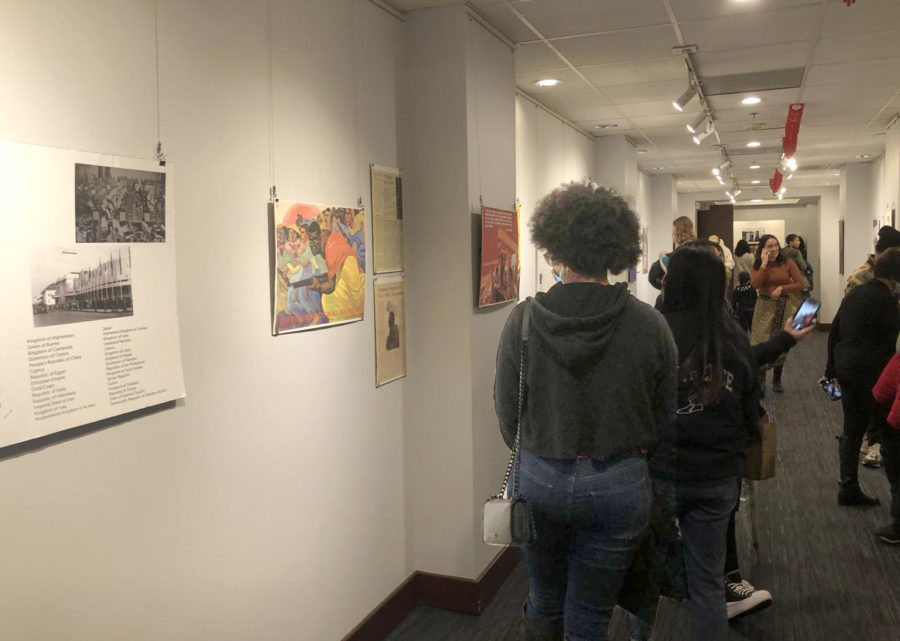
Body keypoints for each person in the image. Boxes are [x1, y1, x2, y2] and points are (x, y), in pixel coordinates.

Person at [494, 182, 677, 641]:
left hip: (539, 478)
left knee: (543, 598)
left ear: (554, 247)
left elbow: (507, 416)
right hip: (618, 481)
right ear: (616, 248)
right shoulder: (649, 324)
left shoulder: (524, 320)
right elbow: (663, 417)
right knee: (590, 612)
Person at [652, 240, 760, 641]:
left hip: (659, 472)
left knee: (645, 576)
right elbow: (751, 412)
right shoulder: (733, 337)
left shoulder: (654, 332)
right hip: (717, 476)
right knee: (709, 585)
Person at [825, 248, 900, 509]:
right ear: (894, 277)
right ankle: (897, 504)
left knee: (852, 429)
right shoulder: (888, 302)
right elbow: (892, 343)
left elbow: (834, 331)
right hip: (873, 374)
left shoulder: (855, 293)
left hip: (847, 367)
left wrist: (830, 371)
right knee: (887, 434)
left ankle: (848, 486)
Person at [844, 226, 900, 467]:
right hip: (867, 359)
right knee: (866, 414)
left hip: (868, 358)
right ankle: (872, 445)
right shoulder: (863, 278)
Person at [749, 235, 803, 394]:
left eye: (776, 245)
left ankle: (777, 379)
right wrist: (764, 265)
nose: (774, 249)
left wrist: (782, 289)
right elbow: (755, 285)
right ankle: (760, 381)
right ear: (763, 249)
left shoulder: (788, 263)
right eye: (770, 246)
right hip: (764, 306)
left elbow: (800, 283)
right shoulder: (757, 265)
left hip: (783, 306)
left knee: (781, 342)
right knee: (759, 341)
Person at [649, 216, 697, 290]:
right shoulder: (703, 253)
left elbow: (652, 278)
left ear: (677, 233)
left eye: (673, 231)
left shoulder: (668, 259)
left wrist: (663, 257)